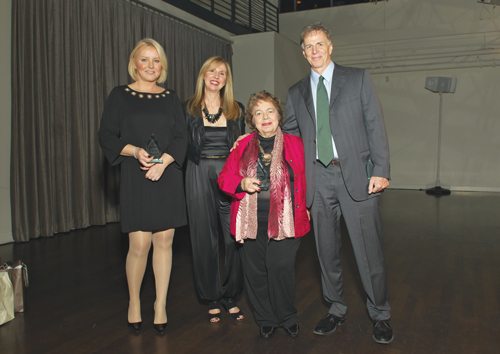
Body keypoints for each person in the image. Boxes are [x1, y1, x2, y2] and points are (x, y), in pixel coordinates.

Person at [283, 22, 393, 344]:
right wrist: (253, 145)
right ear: (303, 53)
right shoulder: (295, 92)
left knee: (368, 252)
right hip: (318, 179)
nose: (315, 50)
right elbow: (288, 136)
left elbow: (375, 124)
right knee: (325, 250)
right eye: (308, 46)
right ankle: (336, 307)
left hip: (357, 176)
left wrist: (381, 168)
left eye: (320, 44)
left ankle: (381, 314)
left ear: (331, 46)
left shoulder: (358, 79)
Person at [99, 38, 187, 335]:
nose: (151, 65)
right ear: (134, 63)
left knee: (165, 242)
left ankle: (160, 304)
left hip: (168, 174)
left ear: (163, 66)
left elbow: (182, 137)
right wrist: (135, 151)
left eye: (156, 60)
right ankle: (134, 302)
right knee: (139, 245)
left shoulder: (171, 97)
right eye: (145, 59)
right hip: (135, 175)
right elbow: (107, 136)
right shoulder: (119, 95)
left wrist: (163, 163)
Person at [218, 91, 310, 339]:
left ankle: (287, 316)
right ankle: (266, 318)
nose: (265, 117)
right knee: (255, 271)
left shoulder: (296, 143)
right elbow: (224, 179)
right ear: (252, 120)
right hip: (251, 218)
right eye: (258, 113)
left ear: (279, 115)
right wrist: (241, 183)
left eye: (270, 111)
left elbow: (309, 177)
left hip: (287, 219)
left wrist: (309, 205)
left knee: (279, 266)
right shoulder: (242, 145)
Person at [184, 57, 245, 323]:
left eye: (222, 72)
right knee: (203, 238)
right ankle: (211, 296)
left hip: (229, 176)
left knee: (234, 236)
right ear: (203, 74)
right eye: (212, 70)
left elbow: (243, 147)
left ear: (226, 80)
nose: (216, 76)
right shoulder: (187, 109)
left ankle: (231, 294)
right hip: (198, 173)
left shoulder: (236, 109)